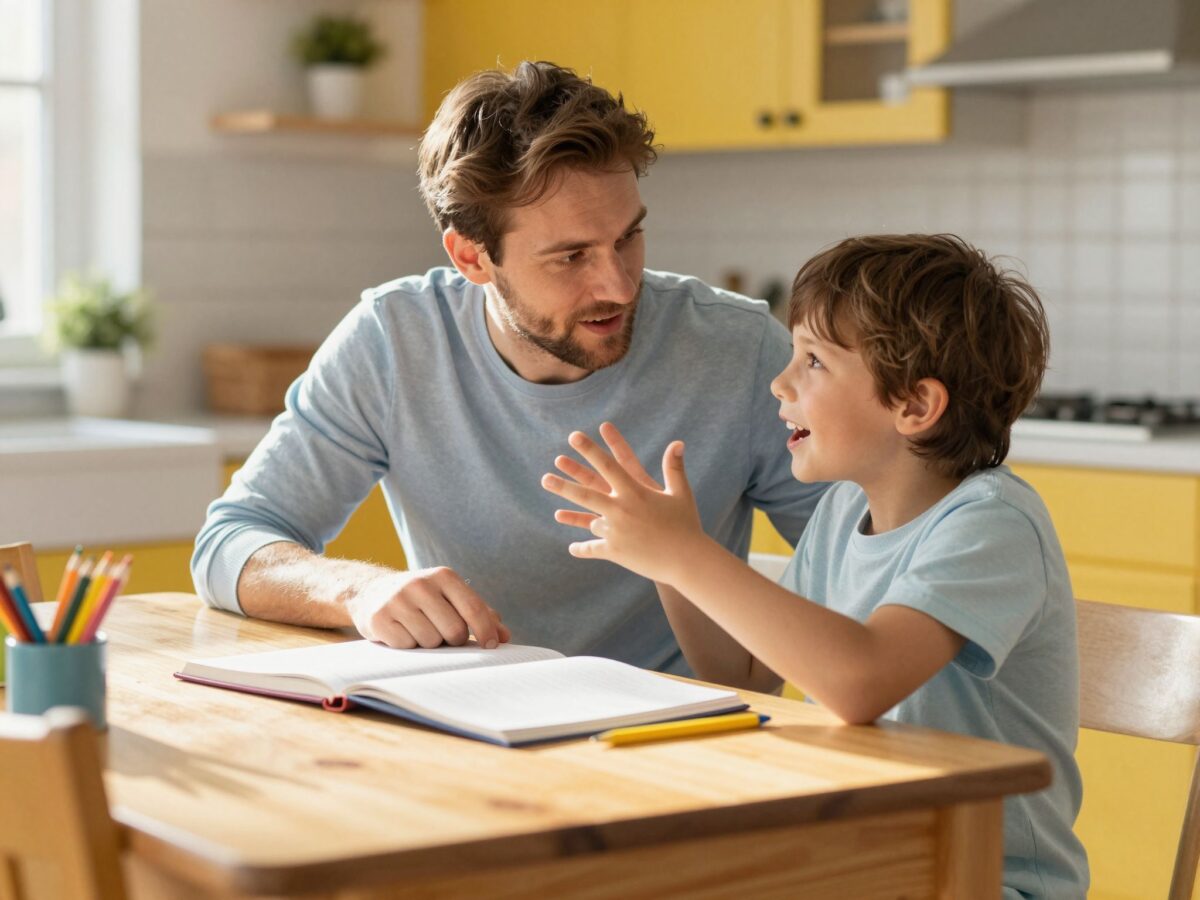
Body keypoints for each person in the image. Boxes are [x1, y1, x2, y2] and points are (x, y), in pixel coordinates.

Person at [190, 61, 825, 673]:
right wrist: (357, 591)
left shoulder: (739, 351)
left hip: (681, 725)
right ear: (471, 258)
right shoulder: (395, 341)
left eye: (628, 237)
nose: (620, 285)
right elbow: (230, 542)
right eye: (571, 257)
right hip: (470, 718)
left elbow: (867, 561)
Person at [541, 234, 1089, 897]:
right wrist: (671, 561)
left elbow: (861, 682)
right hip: (873, 863)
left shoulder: (991, 524)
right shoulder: (843, 511)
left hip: (981, 877)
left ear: (914, 406)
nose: (780, 383)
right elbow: (741, 674)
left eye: (813, 361)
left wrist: (686, 554)